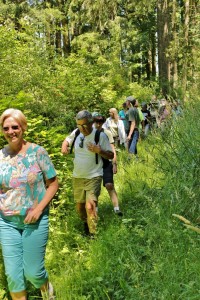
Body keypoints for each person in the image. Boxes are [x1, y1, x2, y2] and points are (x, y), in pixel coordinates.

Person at [0, 108, 59, 300]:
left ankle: (49, 293)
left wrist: (39, 209)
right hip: (6, 222)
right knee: (14, 277)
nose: (11, 132)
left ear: (23, 127)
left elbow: (53, 183)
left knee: (33, 273)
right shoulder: (0, 156)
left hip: (34, 219)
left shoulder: (37, 152)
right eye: (6, 128)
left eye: (15, 127)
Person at [61, 110, 113, 237]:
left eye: (84, 125)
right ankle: (87, 224)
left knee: (90, 206)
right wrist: (64, 145)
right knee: (80, 208)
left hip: (94, 175)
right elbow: (67, 139)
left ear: (91, 123)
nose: (82, 128)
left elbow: (111, 155)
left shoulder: (100, 136)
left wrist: (99, 151)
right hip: (78, 176)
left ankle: (93, 235)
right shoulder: (77, 132)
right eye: (79, 125)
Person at [93, 113, 123, 216]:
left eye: (100, 122)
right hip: (94, 164)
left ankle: (117, 209)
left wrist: (115, 163)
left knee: (109, 185)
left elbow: (112, 149)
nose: (98, 124)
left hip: (106, 162)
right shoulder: (89, 134)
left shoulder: (107, 133)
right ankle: (95, 212)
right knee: (95, 189)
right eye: (96, 122)